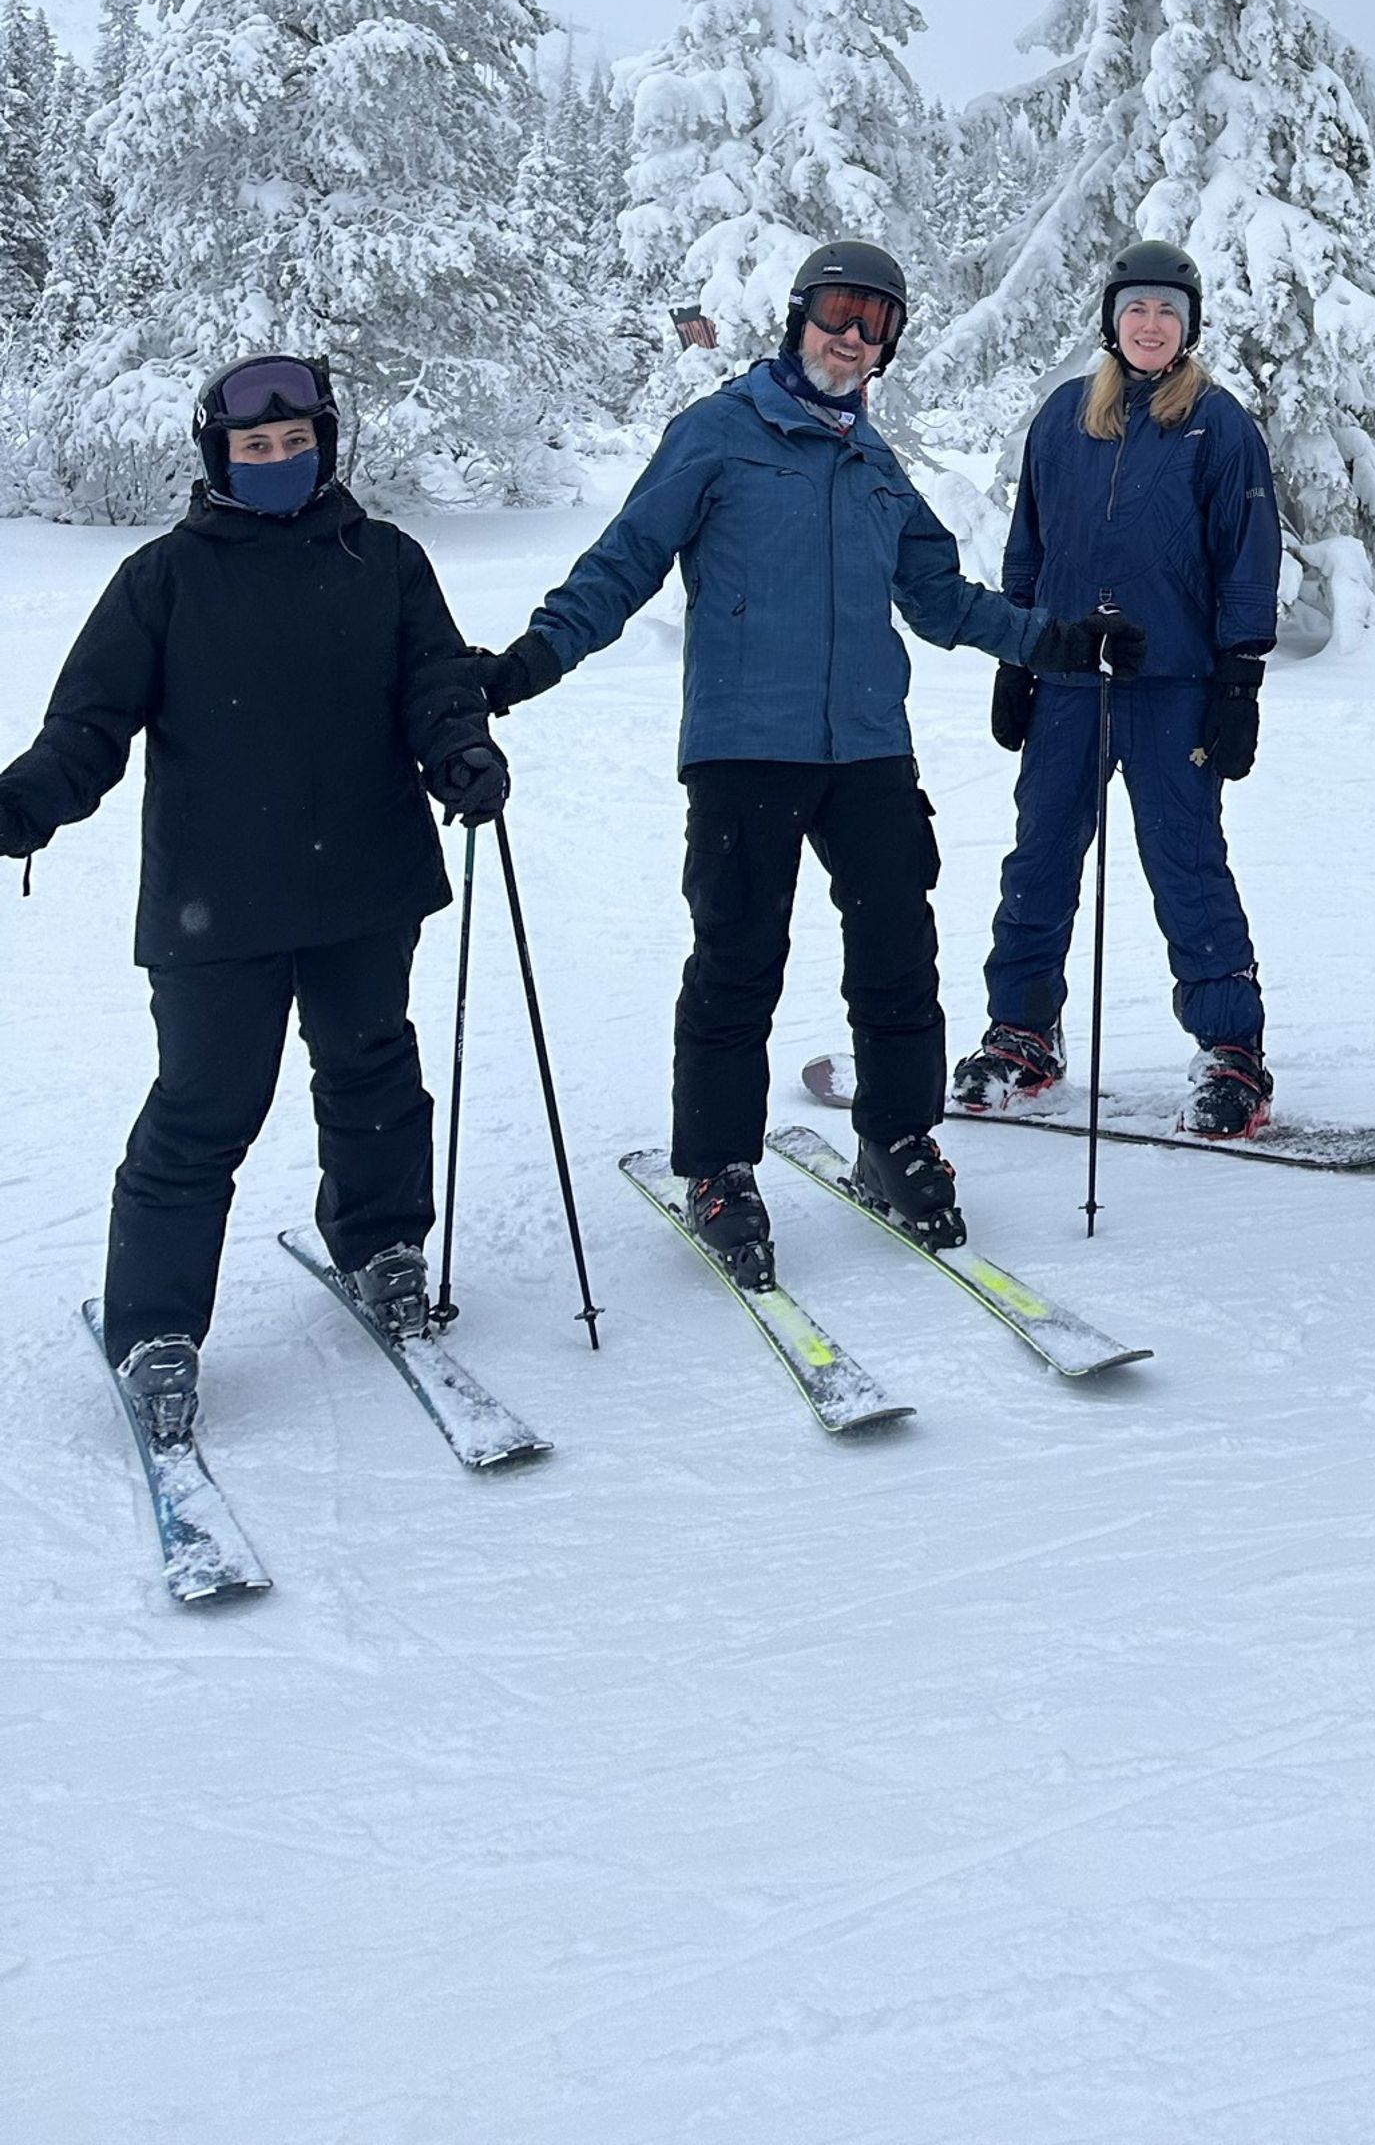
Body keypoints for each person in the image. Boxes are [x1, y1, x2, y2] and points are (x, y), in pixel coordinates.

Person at [474, 242, 1141, 1285]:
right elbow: (624, 561)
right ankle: (719, 1169)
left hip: (868, 744)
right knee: (738, 960)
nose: (851, 336)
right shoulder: (718, 434)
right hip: (744, 744)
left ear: (887, 347)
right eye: (836, 313)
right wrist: (529, 662)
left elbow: (940, 598)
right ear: (798, 319)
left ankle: (897, 1139)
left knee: (897, 952)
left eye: (874, 324)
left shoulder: (875, 464)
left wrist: (1056, 641)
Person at [0, 355, 506, 1446]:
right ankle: (157, 1328)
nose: (278, 463)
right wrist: (27, 801)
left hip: (366, 879)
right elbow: (89, 725)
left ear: (324, 445)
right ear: (218, 457)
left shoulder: (386, 560)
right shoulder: (164, 578)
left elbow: (434, 684)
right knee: (205, 1104)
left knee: (372, 1064)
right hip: (216, 900)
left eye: (294, 445)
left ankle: (381, 1243)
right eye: (254, 449)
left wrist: (461, 751)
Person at [956, 240, 1285, 1138]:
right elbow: (1029, 545)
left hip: (1173, 683)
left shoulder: (1220, 426)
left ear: (1189, 327)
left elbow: (1248, 563)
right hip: (1066, 677)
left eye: (1168, 312)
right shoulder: (1065, 417)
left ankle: (1231, 1052)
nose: (1150, 325)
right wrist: (1015, 657)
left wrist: (1238, 681)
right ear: (1111, 319)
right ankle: (1022, 1032)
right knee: (1040, 857)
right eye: (1136, 309)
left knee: (1185, 862)